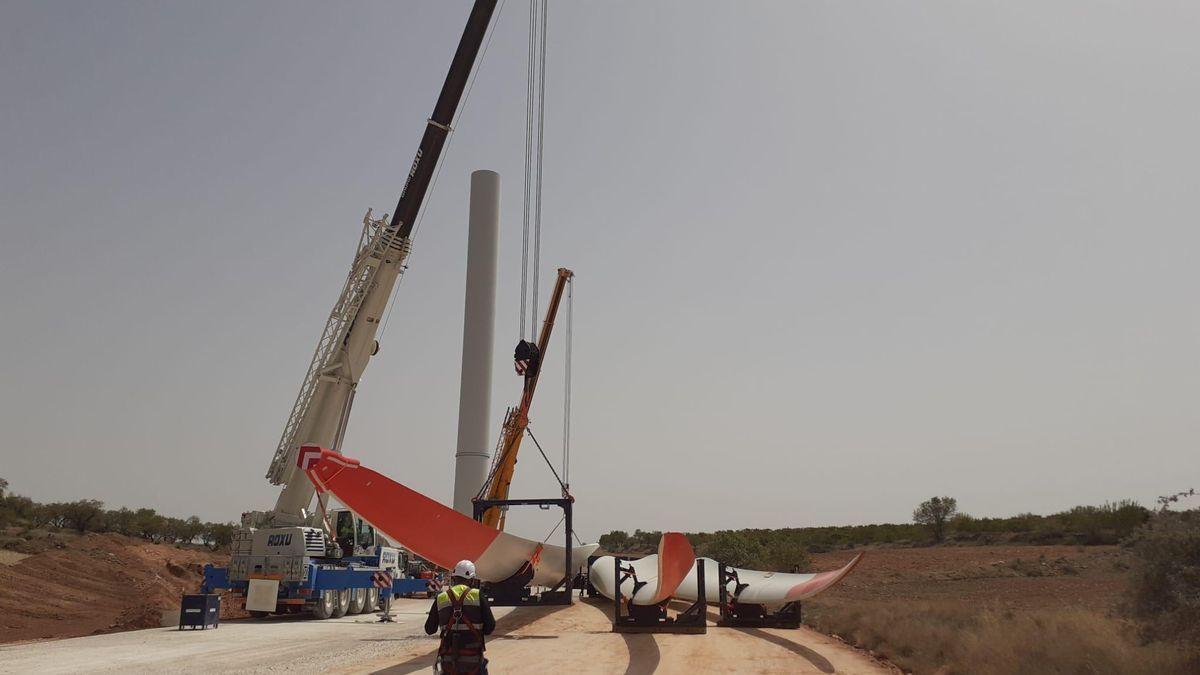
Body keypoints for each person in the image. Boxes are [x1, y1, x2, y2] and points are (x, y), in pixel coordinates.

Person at [424, 560, 496, 675]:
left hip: (448, 662)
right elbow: (490, 627)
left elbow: (429, 629)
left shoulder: (441, 598)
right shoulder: (478, 595)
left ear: (454, 578)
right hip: (473, 661)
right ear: (472, 580)